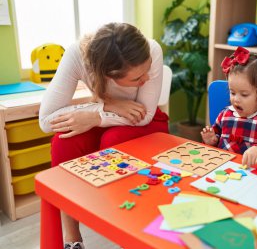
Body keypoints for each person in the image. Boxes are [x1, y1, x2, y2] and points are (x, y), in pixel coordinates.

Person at [39, 22, 169, 249]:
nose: (146, 78)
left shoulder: (152, 49)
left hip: (144, 120)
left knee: (113, 141)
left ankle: (127, 227)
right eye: (137, 78)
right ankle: (73, 239)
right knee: (63, 141)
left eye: (146, 70)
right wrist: (103, 109)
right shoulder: (77, 55)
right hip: (105, 115)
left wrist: (98, 115)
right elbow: (46, 120)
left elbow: (145, 114)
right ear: (109, 76)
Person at [201, 46, 257, 166]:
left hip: (253, 175)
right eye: (232, 92)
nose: (236, 99)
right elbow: (217, 139)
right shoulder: (225, 114)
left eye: (244, 94)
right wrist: (212, 140)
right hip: (224, 171)